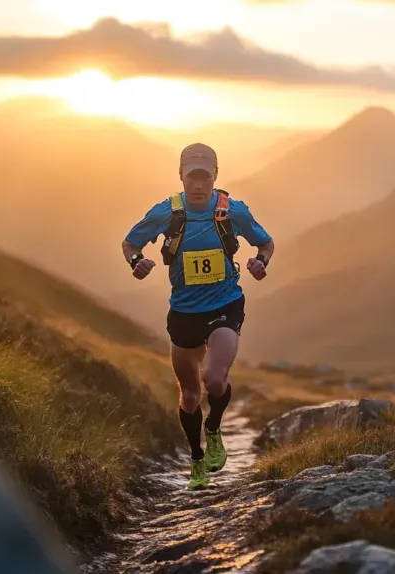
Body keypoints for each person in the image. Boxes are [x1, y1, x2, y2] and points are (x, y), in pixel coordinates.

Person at [121, 143, 274, 491]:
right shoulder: (167, 213)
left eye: (206, 177)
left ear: (216, 176)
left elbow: (265, 244)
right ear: (181, 177)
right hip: (184, 312)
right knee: (190, 395)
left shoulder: (231, 211)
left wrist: (260, 263)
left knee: (214, 379)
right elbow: (130, 244)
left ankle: (215, 429)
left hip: (225, 304)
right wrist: (136, 263)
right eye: (193, 177)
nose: (199, 185)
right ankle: (196, 459)